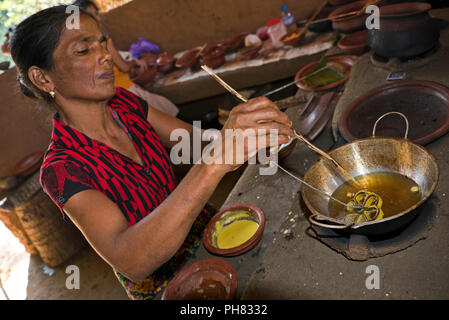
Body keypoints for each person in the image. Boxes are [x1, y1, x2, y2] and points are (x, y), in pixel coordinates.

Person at [10, 5, 294, 300]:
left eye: (102, 42)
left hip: (211, 235)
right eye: (83, 50)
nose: (106, 55)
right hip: (168, 286)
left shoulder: (124, 104)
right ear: (43, 79)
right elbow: (132, 260)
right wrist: (215, 161)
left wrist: (245, 134)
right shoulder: (62, 169)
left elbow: (194, 144)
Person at [72, 0, 179, 117]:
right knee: (167, 110)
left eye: (96, 13)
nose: (98, 18)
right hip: (126, 90)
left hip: (108, 98)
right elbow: (124, 67)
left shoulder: (79, 49)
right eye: (92, 16)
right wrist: (135, 62)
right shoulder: (104, 42)